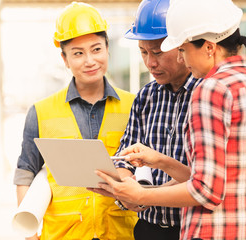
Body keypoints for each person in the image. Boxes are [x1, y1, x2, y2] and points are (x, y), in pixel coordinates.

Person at [93, 0, 246, 239]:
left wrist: (141, 196)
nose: (183, 59)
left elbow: (207, 190)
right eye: (144, 52)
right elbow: (221, 179)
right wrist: (159, 162)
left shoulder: (210, 89)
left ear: (209, 47)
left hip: (211, 231)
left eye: (182, 50)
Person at [13, 2, 138, 240]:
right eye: (78, 53)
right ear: (65, 59)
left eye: (96, 49)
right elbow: (25, 173)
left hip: (121, 232)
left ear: (108, 49)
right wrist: (30, 234)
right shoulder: (40, 111)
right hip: (64, 233)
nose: (90, 60)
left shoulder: (135, 106)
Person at [91, 0, 201, 239]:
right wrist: (129, 192)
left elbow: (206, 179)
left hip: (193, 228)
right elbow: (124, 159)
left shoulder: (207, 94)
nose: (151, 63)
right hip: (147, 229)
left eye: (158, 53)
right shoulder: (146, 96)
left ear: (182, 46)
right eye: (143, 52)